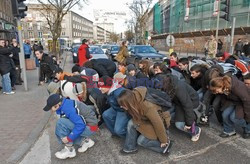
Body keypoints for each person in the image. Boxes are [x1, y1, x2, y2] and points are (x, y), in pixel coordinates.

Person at [118, 87, 172, 154]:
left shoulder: (147, 106)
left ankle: (165, 146)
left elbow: (158, 123)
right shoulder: (133, 100)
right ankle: (130, 148)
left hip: (161, 122)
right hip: (147, 120)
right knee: (131, 123)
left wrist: (163, 140)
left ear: (129, 103)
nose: (121, 107)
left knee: (141, 141)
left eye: (122, 105)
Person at [43, 94, 98, 159]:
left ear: (56, 105)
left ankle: (70, 150)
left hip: (90, 128)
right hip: (89, 125)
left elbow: (80, 125)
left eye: (50, 108)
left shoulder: (67, 108)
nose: (50, 110)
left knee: (61, 123)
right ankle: (86, 142)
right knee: (65, 126)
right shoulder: (65, 104)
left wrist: (69, 138)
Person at [162, 75, 202, 141]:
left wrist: (189, 123)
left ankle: (196, 130)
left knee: (179, 124)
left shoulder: (179, 89)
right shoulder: (171, 84)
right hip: (179, 103)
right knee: (169, 116)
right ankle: (186, 119)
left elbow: (188, 105)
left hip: (191, 102)